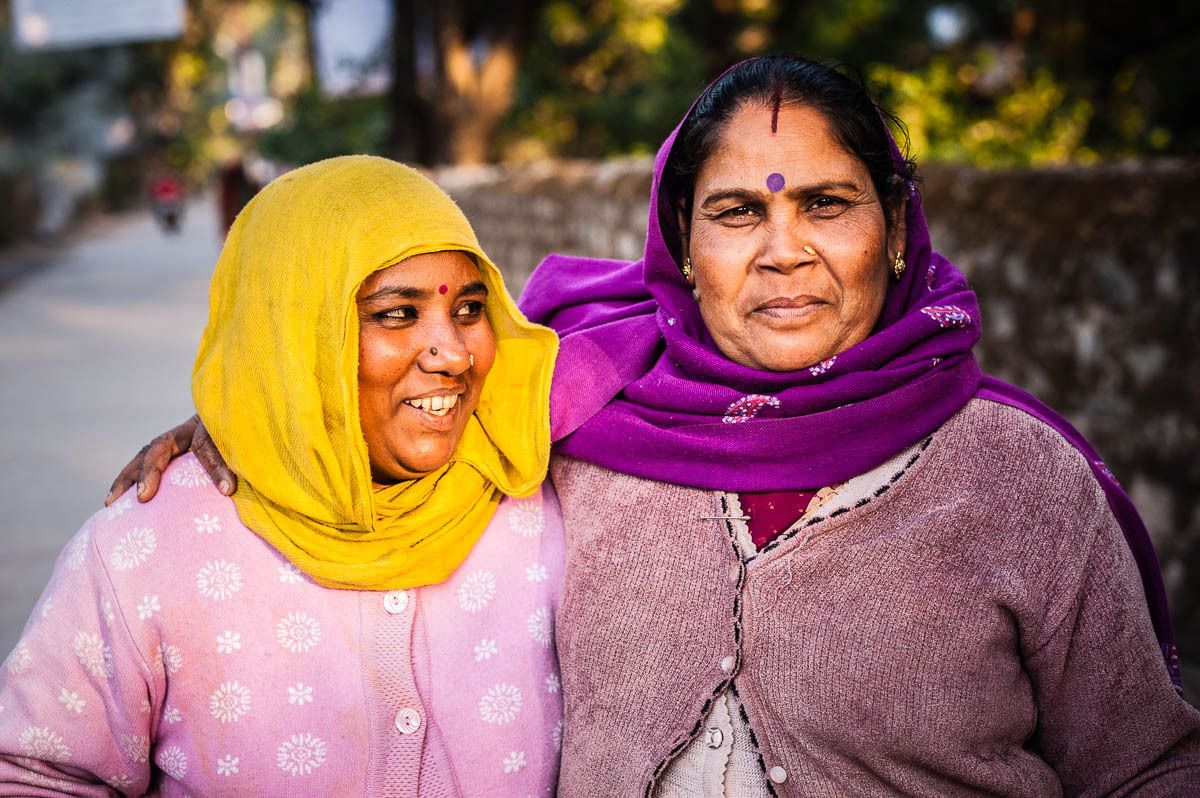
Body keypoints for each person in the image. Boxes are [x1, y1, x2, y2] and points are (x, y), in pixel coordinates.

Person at [106, 56, 1200, 796]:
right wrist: (236, 429)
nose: (784, 251)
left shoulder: (1017, 478)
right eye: (737, 212)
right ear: (681, 246)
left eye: (827, 204)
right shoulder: (577, 416)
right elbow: (392, 395)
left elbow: (1146, 767)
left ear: (899, 230)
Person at [0, 156, 563, 795]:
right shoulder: (146, 551)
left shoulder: (539, 500)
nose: (455, 354)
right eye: (396, 314)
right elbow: (34, 776)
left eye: (470, 308)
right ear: (296, 336)